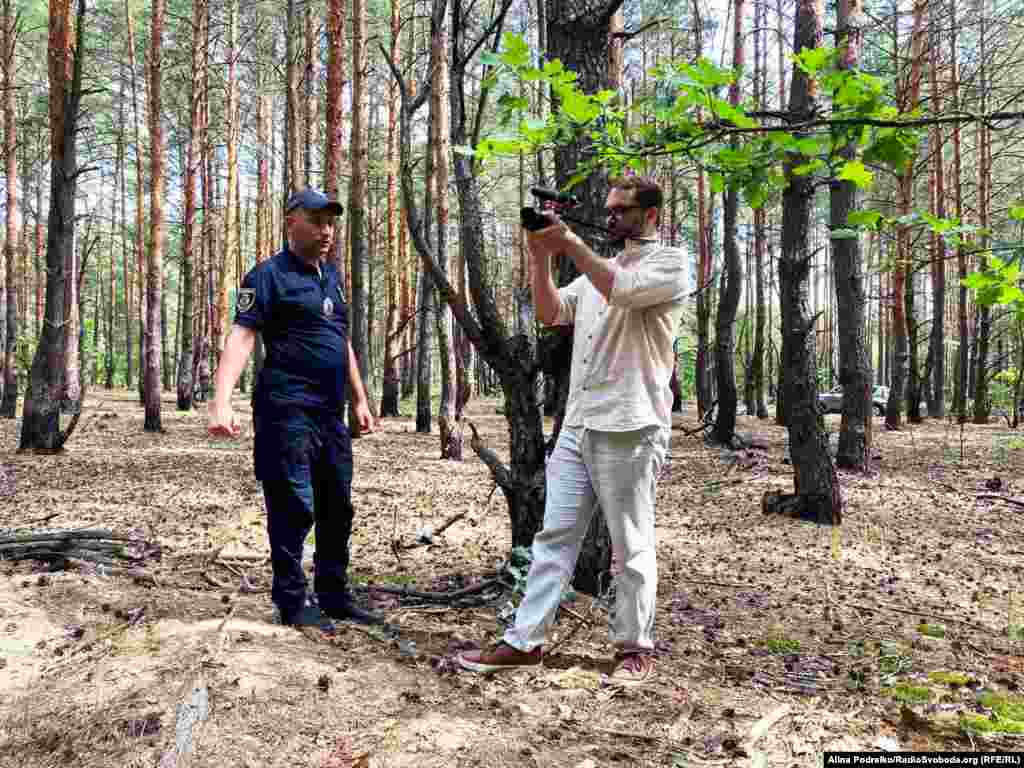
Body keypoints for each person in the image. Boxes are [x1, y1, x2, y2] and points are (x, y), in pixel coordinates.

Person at [458, 176, 687, 685]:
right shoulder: (592, 276)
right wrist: (541, 255)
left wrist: (571, 243)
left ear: (650, 214)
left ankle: (634, 647)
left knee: (630, 545)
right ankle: (525, 642)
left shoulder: (669, 264)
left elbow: (622, 290)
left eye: (621, 210)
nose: (610, 218)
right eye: (607, 210)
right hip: (578, 425)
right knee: (554, 536)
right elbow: (549, 312)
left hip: (630, 425)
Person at [208, 187, 382, 633]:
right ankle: (291, 601)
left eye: (330, 223)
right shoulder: (266, 276)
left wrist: (359, 398)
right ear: (292, 222)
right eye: (317, 221)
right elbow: (243, 336)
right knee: (293, 506)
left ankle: (334, 594)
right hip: (285, 410)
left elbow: (340, 341)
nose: (327, 231)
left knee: (337, 506)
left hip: (330, 414)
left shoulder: (333, 278)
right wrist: (222, 400)